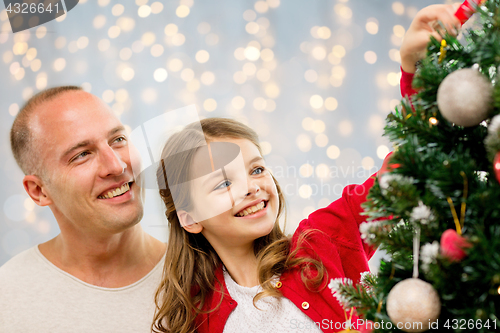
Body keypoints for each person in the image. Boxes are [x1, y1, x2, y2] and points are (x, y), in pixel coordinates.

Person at [151, 4, 462, 333]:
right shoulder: (197, 317)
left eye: (256, 170)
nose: (251, 186)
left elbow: (403, 174)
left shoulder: (320, 244)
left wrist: (416, 69)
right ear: (190, 218)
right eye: (223, 183)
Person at [0, 86, 167, 333]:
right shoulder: (8, 296)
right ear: (38, 190)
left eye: (118, 140)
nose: (117, 165)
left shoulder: (205, 276)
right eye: (82, 155)